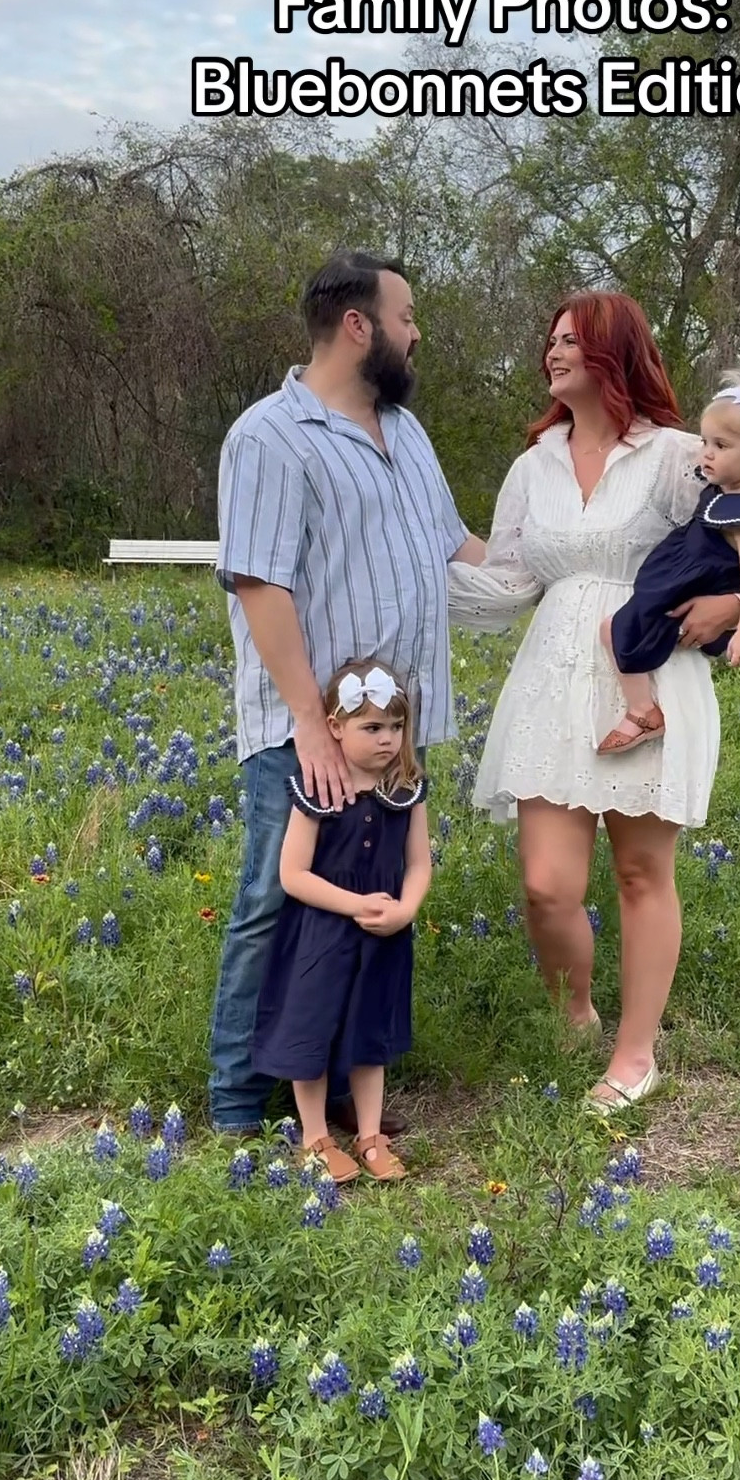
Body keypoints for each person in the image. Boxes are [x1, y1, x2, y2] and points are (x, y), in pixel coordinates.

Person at [446, 293, 740, 1112]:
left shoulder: (678, 454)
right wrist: (417, 575)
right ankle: (575, 1011)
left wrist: (730, 612)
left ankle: (634, 1056)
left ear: (611, 353)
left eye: (569, 340)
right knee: (546, 885)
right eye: (550, 338)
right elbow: (510, 580)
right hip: (553, 676)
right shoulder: (534, 465)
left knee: (641, 871)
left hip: (651, 667)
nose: (552, 353)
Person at [210, 249, 485, 1139]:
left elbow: (457, 548)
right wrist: (308, 727)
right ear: (359, 326)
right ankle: (238, 1107)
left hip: (392, 736)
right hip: (310, 728)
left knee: (367, 916)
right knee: (274, 904)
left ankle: (330, 1101)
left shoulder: (406, 432)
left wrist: (583, 572)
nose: (418, 334)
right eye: (406, 318)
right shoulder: (268, 436)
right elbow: (261, 584)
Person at [253, 660, 430, 1182]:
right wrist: (354, 905)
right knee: (311, 1032)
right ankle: (315, 1137)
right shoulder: (317, 791)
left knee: (368, 1035)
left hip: (383, 937)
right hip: (320, 937)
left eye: (396, 728)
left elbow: (419, 863)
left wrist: (407, 908)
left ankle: (370, 1134)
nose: (388, 740)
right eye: (372, 727)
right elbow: (292, 874)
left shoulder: (407, 791)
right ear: (335, 726)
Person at [596, 367, 740, 753]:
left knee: (611, 629)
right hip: (682, 578)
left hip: (686, 590)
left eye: (720, 445)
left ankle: (642, 711)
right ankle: (643, 705)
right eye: (705, 442)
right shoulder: (724, 488)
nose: (706, 453)